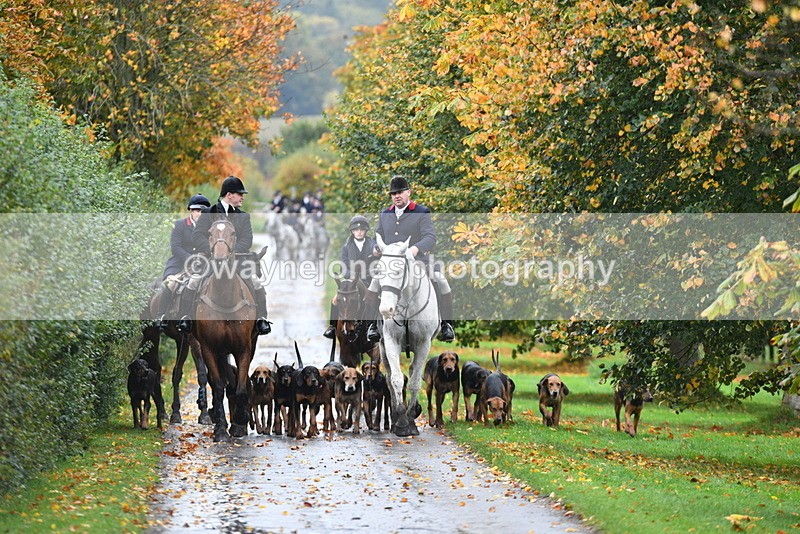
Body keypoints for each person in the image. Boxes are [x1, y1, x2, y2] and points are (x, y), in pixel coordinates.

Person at [176, 176, 271, 336]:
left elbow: (247, 239)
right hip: (210, 261)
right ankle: (186, 319)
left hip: (236, 262)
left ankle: (261, 319)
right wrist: (215, 251)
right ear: (229, 195)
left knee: (256, 283)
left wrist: (229, 253)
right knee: (193, 282)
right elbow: (197, 236)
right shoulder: (208, 213)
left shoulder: (244, 216)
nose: (242, 197)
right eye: (240, 194)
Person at [364, 175, 454, 343]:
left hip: (417, 261)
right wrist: (375, 248)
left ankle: (447, 325)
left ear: (408, 193)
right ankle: (372, 326)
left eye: (400, 192)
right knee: (373, 285)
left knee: (441, 280)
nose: (397, 196)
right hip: (391, 263)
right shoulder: (385, 214)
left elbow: (430, 237)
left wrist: (415, 248)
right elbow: (377, 237)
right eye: (393, 194)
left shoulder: (421, 212)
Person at [156, 194, 211, 330]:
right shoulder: (180, 225)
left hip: (203, 264)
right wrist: (190, 259)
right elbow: (175, 247)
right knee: (170, 284)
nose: (200, 214)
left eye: (203, 211)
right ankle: (161, 316)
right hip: (180, 262)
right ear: (191, 211)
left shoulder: (209, 228)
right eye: (197, 211)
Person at [322, 215, 377, 339]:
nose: (359, 232)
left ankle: (372, 326)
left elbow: (376, 264)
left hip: (368, 279)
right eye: (356, 230)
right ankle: (332, 327)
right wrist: (350, 275)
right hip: (351, 280)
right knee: (336, 299)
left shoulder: (372, 244)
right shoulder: (346, 247)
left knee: (373, 299)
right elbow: (344, 266)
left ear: (365, 231)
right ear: (352, 231)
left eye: (361, 229)